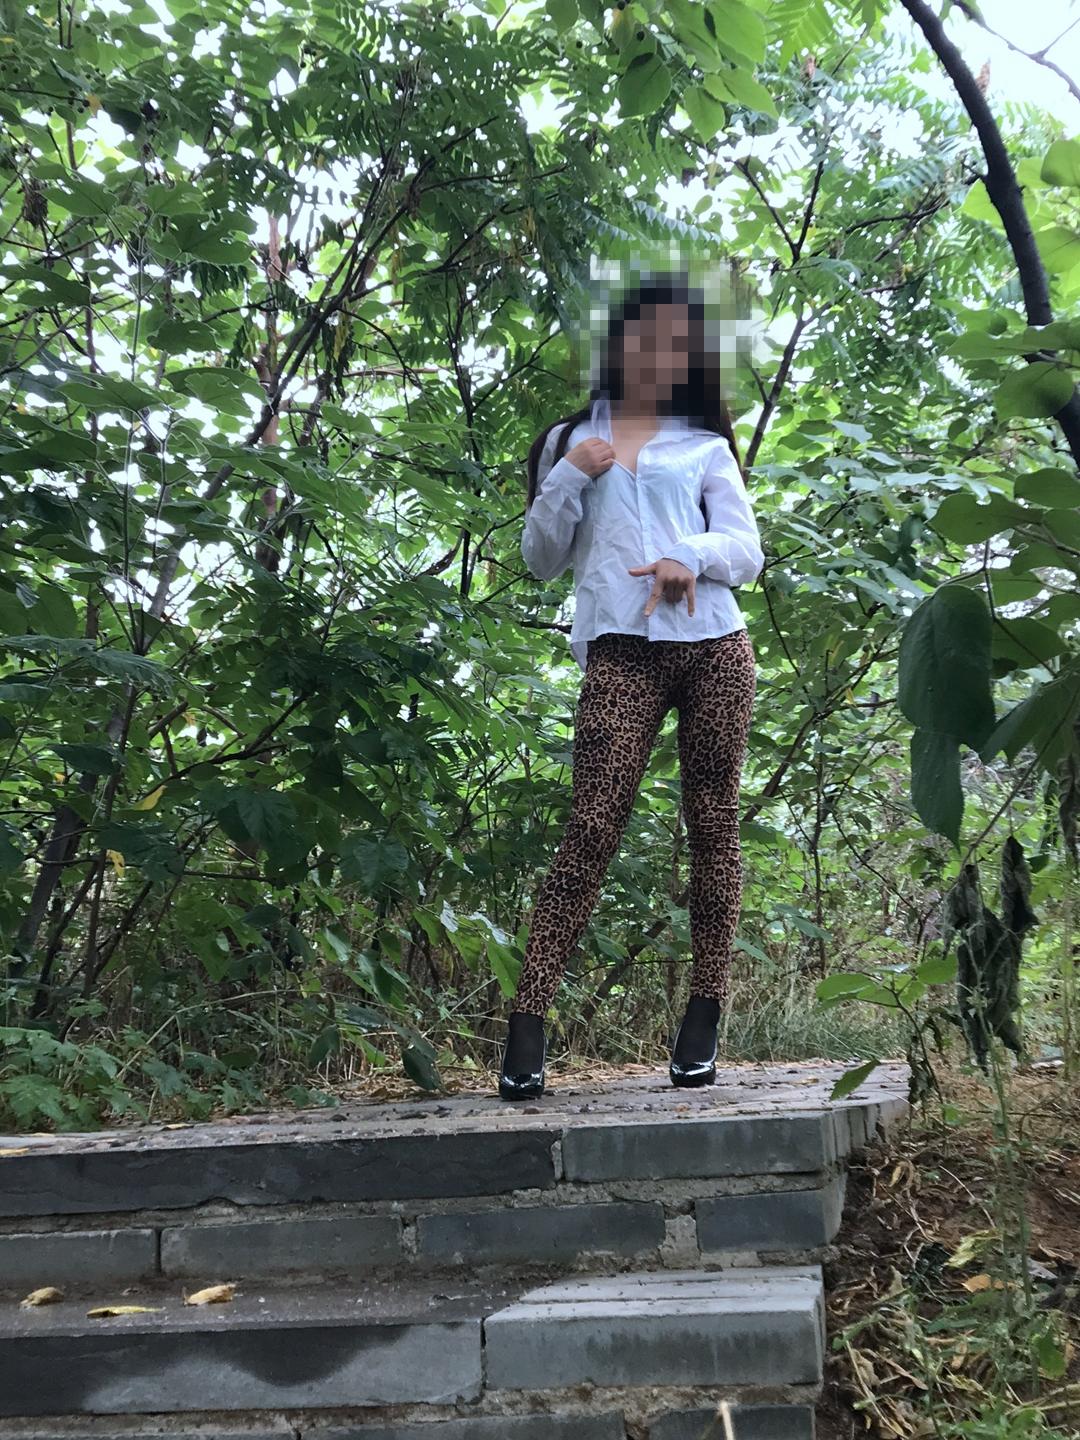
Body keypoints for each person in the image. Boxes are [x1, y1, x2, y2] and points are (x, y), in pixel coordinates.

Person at [499, 272, 764, 1100]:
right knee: (592, 827)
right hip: (621, 649)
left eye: (679, 343)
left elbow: (745, 550)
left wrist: (692, 555)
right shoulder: (570, 440)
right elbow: (540, 561)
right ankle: (527, 1023)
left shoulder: (704, 445)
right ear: (618, 343)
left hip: (714, 645)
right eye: (648, 336)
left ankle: (704, 1015)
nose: (661, 353)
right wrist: (569, 474)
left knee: (713, 824)